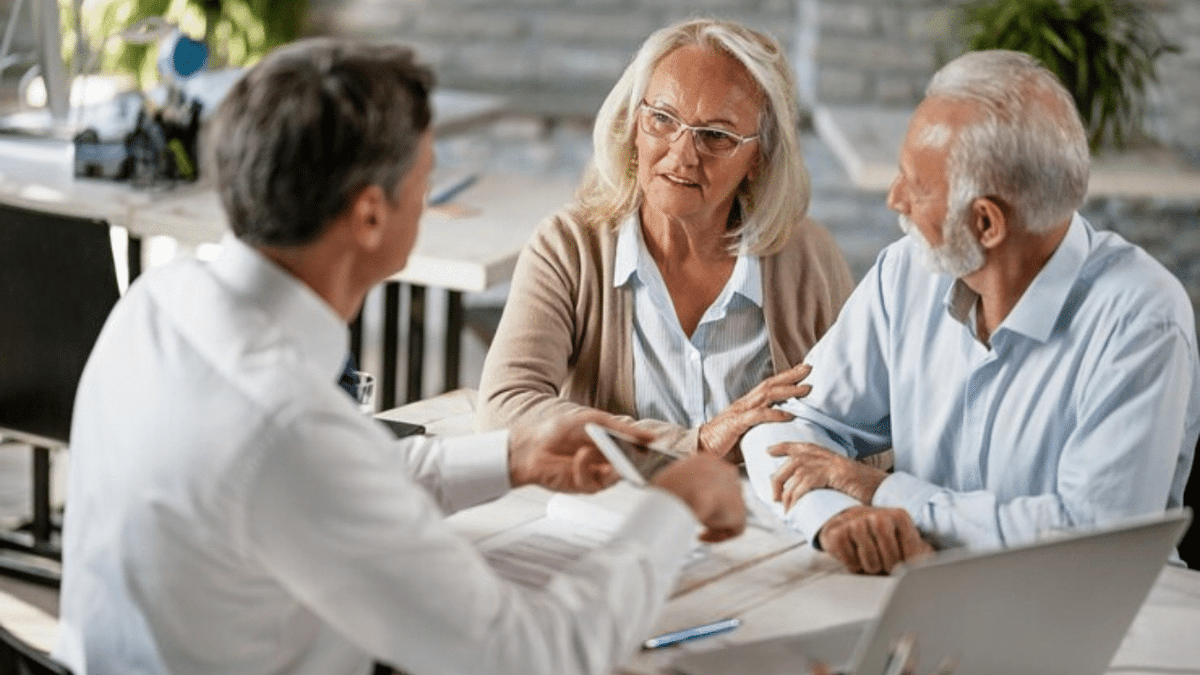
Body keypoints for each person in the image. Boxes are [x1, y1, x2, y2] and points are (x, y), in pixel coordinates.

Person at [54, 38, 748, 675]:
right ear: (369, 216)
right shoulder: (287, 420)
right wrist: (671, 508)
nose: (431, 191)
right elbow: (533, 655)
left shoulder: (156, 304)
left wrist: (511, 456)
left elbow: (326, 482)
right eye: (426, 176)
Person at [742, 49, 1200, 575]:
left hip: (1098, 621)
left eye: (914, 185)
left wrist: (889, 492)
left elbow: (1092, 539)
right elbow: (783, 422)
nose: (894, 200)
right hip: (925, 593)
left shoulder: (1142, 319)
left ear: (986, 224)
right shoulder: (906, 272)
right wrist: (835, 515)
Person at [477, 18, 855, 460]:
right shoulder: (569, 247)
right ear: (632, 125)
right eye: (661, 119)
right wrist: (694, 444)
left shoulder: (809, 258)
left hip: (765, 521)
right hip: (616, 513)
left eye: (716, 136)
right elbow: (505, 409)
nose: (682, 155)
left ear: (760, 157)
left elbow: (865, 429)